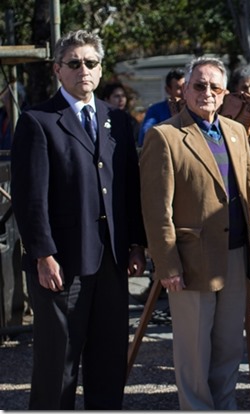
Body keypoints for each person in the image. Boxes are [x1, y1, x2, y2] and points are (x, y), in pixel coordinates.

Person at [10, 29, 147, 409]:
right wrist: (43, 254)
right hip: (61, 265)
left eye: (91, 63)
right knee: (59, 365)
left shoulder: (116, 120)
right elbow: (29, 198)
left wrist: (136, 242)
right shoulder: (38, 121)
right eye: (74, 63)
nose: (82, 70)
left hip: (111, 261)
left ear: (101, 70)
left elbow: (127, 188)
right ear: (58, 69)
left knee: (107, 362)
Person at [139, 56, 250, 410]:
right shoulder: (164, 136)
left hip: (235, 255)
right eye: (199, 85)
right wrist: (167, 265)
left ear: (225, 93)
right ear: (185, 90)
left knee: (229, 347)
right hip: (190, 262)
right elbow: (156, 209)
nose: (207, 93)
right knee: (194, 353)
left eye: (214, 86)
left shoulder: (236, 131)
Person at [137, 67, 185, 146]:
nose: (183, 92)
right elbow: (145, 136)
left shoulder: (194, 109)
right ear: (167, 90)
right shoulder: (156, 110)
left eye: (185, 87)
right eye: (178, 88)